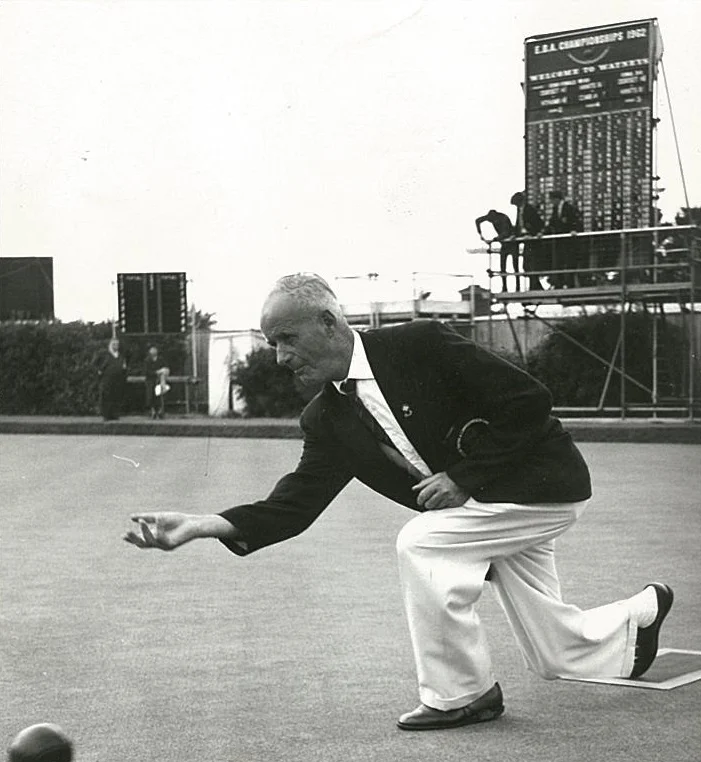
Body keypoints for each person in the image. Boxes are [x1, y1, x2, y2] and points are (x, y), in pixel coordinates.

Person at [124, 273, 674, 731]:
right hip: (485, 511)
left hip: (542, 486)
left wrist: (463, 477)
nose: (280, 356)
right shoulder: (326, 417)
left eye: (286, 338)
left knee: (423, 543)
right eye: (272, 344)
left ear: (329, 323)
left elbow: (529, 401)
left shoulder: (420, 345)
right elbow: (295, 503)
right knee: (553, 654)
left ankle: (464, 694)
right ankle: (638, 619)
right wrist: (203, 524)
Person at [475, 209, 519, 292]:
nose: (491, 222)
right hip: (504, 244)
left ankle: (518, 288)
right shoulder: (491, 217)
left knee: (515, 266)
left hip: (512, 243)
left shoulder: (504, 218)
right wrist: (480, 234)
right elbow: (478, 220)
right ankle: (504, 287)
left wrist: (495, 239)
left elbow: (506, 232)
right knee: (502, 266)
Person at [510, 192, 545, 291]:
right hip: (525, 239)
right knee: (527, 264)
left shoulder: (529, 209)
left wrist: (532, 233)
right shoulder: (520, 210)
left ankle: (534, 286)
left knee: (531, 263)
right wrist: (515, 234)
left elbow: (538, 223)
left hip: (531, 239)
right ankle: (535, 285)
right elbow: (519, 224)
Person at [545, 190, 580, 288]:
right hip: (559, 240)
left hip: (568, 240)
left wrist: (573, 230)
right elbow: (552, 222)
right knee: (559, 261)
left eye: (551, 200)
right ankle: (559, 283)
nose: (551, 202)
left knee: (569, 261)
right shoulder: (555, 209)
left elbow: (575, 220)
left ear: (556, 199)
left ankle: (570, 284)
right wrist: (543, 231)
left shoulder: (569, 208)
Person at [98, 337, 127, 421]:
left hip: (118, 380)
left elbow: (124, 367)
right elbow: (100, 367)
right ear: (110, 345)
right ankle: (106, 415)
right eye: (114, 344)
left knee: (116, 397)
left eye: (117, 344)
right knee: (107, 397)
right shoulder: (106, 356)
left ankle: (115, 414)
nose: (116, 346)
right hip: (107, 380)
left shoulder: (121, 356)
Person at [144, 345, 170, 419]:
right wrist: (157, 372)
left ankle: (160, 411)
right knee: (151, 395)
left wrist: (164, 372)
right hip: (150, 380)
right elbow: (146, 372)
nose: (153, 352)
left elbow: (166, 368)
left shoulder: (161, 359)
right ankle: (153, 411)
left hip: (160, 380)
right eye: (152, 350)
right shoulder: (147, 360)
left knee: (160, 395)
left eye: (155, 350)